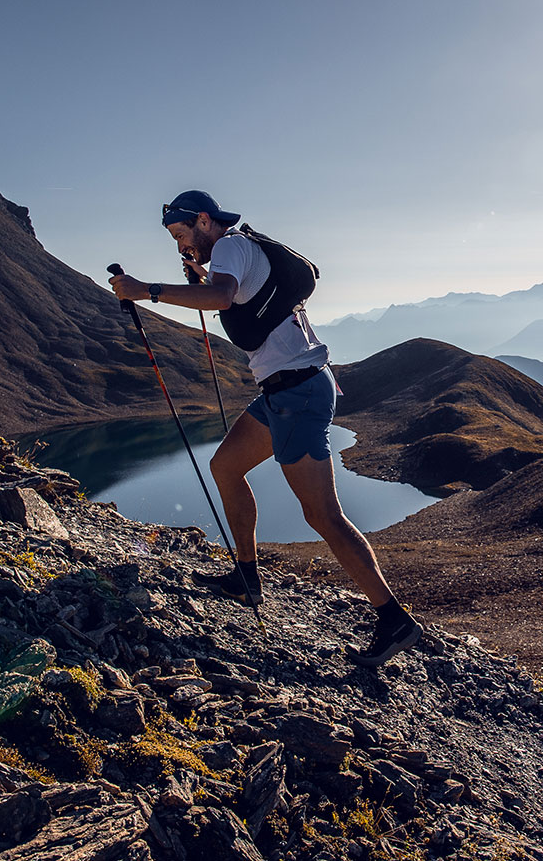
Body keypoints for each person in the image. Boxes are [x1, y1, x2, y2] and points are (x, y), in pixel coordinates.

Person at [109, 189, 422, 667]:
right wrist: (198, 278)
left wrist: (145, 291)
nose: (180, 247)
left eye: (181, 235)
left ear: (203, 220)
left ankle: (394, 619)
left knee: (322, 516)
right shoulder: (233, 253)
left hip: (296, 394)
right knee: (226, 466)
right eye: (174, 240)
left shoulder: (231, 245)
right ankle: (246, 577)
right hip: (285, 392)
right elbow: (229, 296)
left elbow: (221, 296)